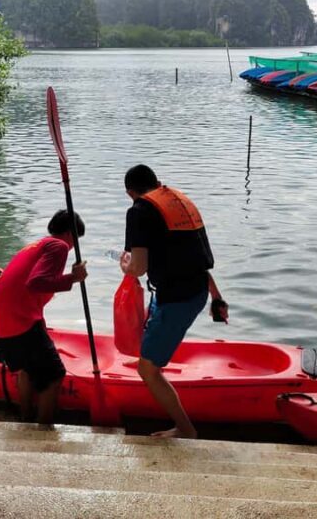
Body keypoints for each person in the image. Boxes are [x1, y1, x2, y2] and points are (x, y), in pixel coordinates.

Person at [120, 164, 228, 439]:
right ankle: (154, 357)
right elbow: (194, 255)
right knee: (146, 336)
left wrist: (126, 266)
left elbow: (139, 267)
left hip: (176, 300)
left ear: (131, 192)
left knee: (148, 370)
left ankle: (185, 429)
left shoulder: (139, 210)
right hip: (194, 291)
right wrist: (216, 296)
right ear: (156, 182)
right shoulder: (178, 200)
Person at [0, 210, 88, 424]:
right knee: (54, 375)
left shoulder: (35, 246)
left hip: (0, 324)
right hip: (19, 323)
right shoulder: (58, 246)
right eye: (76, 241)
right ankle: (44, 427)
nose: (73, 247)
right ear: (70, 235)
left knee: (26, 370)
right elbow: (36, 283)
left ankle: (25, 418)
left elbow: (29, 292)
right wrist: (73, 277)